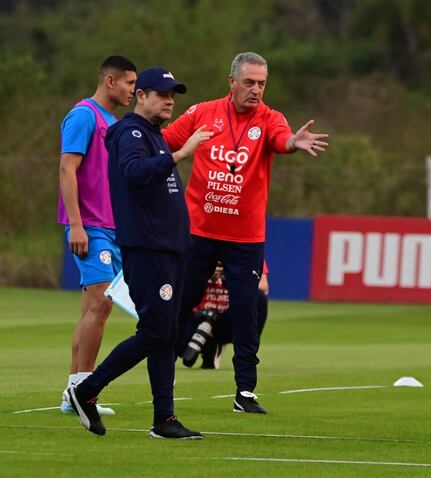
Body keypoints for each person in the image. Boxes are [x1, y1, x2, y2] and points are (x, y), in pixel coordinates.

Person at [163, 52, 328, 414]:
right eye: (250, 82)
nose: (256, 90)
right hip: (199, 232)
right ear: (232, 82)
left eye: (262, 83)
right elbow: (166, 142)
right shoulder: (203, 112)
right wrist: (134, 140)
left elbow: (282, 140)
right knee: (179, 304)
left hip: (245, 239)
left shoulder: (270, 119)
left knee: (247, 310)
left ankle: (245, 392)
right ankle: (164, 378)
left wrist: (293, 144)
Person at [66, 67, 213, 439]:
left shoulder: (153, 135)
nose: (169, 100)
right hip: (148, 249)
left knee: (166, 333)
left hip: (169, 248)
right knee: (154, 332)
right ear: (141, 96)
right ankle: (86, 391)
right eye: (161, 93)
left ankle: (164, 419)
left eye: (173, 95)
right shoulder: (132, 132)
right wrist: (181, 153)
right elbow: (133, 172)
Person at [57, 56, 137, 416]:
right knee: (101, 304)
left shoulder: (114, 123)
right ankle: (83, 390)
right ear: (110, 81)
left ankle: (72, 390)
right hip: (90, 226)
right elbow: (66, 168)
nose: (133, 91)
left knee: (93, 307)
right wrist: (76, 223)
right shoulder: (83, 115)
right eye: (129, 83)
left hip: (111, 227)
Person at [181, 263, 269, 370]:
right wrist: (205, 275)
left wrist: (231, 277)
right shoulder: (201, 250)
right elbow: (183, 281)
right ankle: (208, 343)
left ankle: (246, 349)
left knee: (259, 298)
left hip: (226, 316)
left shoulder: (247, 253)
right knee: (184, 354)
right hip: (198, 314)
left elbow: (263, 286)